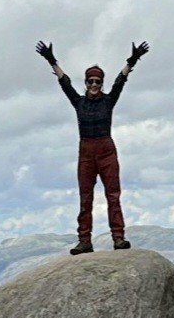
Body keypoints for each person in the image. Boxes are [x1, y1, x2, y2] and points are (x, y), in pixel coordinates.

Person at [35, 38, 149, 254]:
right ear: (86, 83)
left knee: (113, 195)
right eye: (91, 82)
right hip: (86, 152)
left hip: (106, 150)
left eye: (98, 81)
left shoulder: (108, 101)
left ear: (101, 83)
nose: (94, 85)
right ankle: (84, 241)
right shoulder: (79, 103)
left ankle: (118, 238)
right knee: (85, 197)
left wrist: (132, 61)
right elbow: (65, 82)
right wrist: (51, 61)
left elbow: (120, 82)